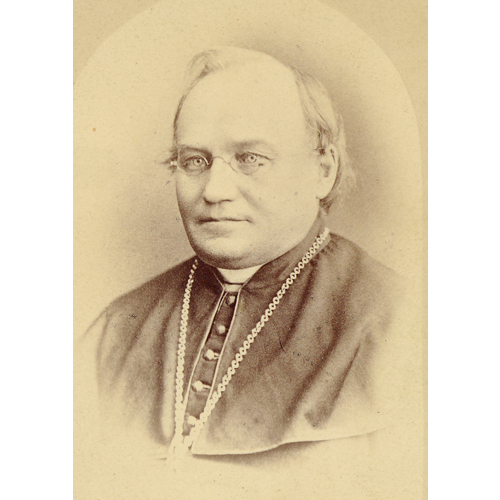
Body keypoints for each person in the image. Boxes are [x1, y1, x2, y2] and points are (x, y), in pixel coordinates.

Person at [82, 48, 416, 489]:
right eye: (195, 161)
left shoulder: (401, 323)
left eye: (251, 158)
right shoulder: (114, 331)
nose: (214, 190)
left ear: (323, 170)